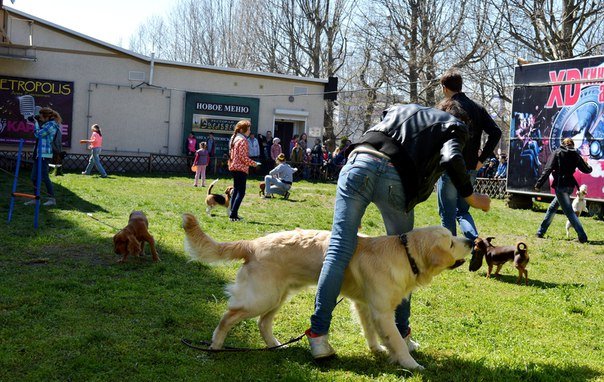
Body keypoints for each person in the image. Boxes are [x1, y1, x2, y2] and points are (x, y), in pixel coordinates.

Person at [307, 101, 491, 359]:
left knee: (338, 250)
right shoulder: (455, 125)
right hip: (394, 175)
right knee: (407, 256)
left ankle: (318, 337)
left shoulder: (400, 108)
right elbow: (451, 157)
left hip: (357, 161)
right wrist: (471, 198)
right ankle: (403, 335)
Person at [437, 69, 501, 255]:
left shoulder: (445, 108)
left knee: (447, 212)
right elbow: (496, 132)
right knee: (463, 211)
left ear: (444, 88)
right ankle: (477, 243)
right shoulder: (477, 108)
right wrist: (481, 159)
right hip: (471, 167)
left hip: (449, 167)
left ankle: (451, 252)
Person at [535, 138, 592, 243]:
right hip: (570, 186)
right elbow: (586, 169)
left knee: (569, 212)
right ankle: (540, 231)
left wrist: (539, 184)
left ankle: (582, 236)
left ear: (563, 144)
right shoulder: (575, 154)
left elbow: (548, 169)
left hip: (560, 185)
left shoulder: (557, 152)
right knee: (552, 208)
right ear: (572, 145)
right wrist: (588, 165)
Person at [25, 107, 61, 206]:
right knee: (34, 178)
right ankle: (36, 198)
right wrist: (36, 122)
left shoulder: (52, 125)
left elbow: (38, 134)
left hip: (44, 154)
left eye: (41, 117)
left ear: (46, 116)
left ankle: (52, 199)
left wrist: (35, 123)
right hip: (39, 153)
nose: (40, 118)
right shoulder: (46, 124)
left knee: (44, 177)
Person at [228, 120, 258, 222]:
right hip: (241, 168)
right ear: (242, 130)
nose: (249, 131)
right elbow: (243, 157)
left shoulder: (234, 138)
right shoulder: (243, 140)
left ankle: (232, 213)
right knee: (241, 192)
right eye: (248, 129)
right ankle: (233, 215)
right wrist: (254, 163)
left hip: (233, 167)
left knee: (236, 191)